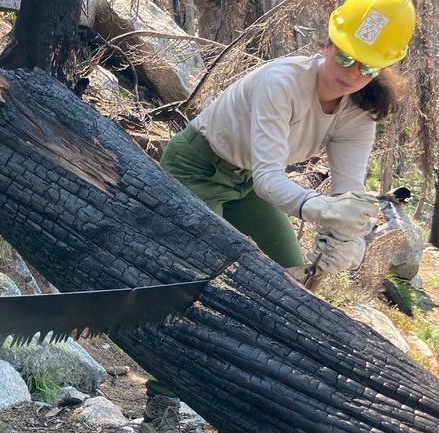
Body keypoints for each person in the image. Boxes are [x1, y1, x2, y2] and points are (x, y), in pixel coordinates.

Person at [160, 0, 415, 277]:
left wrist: (347, 237)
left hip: (246, 184)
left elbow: (348, 192)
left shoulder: (358, 115)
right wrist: (322, 209)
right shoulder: (281, 82)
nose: (353, 73)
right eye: (345, 57)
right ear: (326, 45)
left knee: (289, 274)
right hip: (197, 168)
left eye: (367, 69)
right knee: (198, 271)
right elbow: (268, 177)